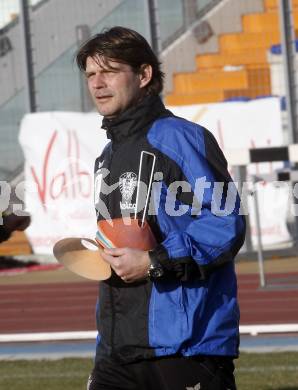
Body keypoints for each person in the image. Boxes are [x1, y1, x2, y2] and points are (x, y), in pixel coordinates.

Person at [76, 26, 246, 390]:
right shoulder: (107, 155)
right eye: (91, 74)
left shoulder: (181, 138)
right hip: (117, 351)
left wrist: (155, 261)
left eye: (109, 71)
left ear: (144, 74)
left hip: (184, 348)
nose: (97, 83)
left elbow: (225, 221)